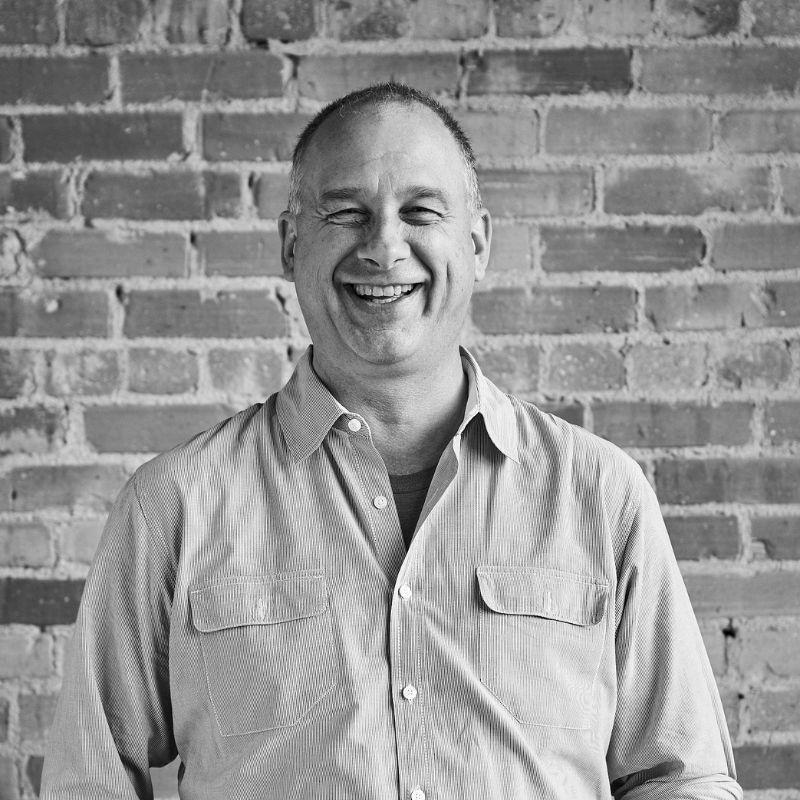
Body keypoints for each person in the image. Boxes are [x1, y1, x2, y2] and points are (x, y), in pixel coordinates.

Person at [41, 82, 742, 799]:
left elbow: (679, 777)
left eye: (420, 212)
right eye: (346, 213)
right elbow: (87, 782)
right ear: (290, 246)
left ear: (476, 243)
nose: (382, 247)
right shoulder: (172, 508)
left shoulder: (600, 495)